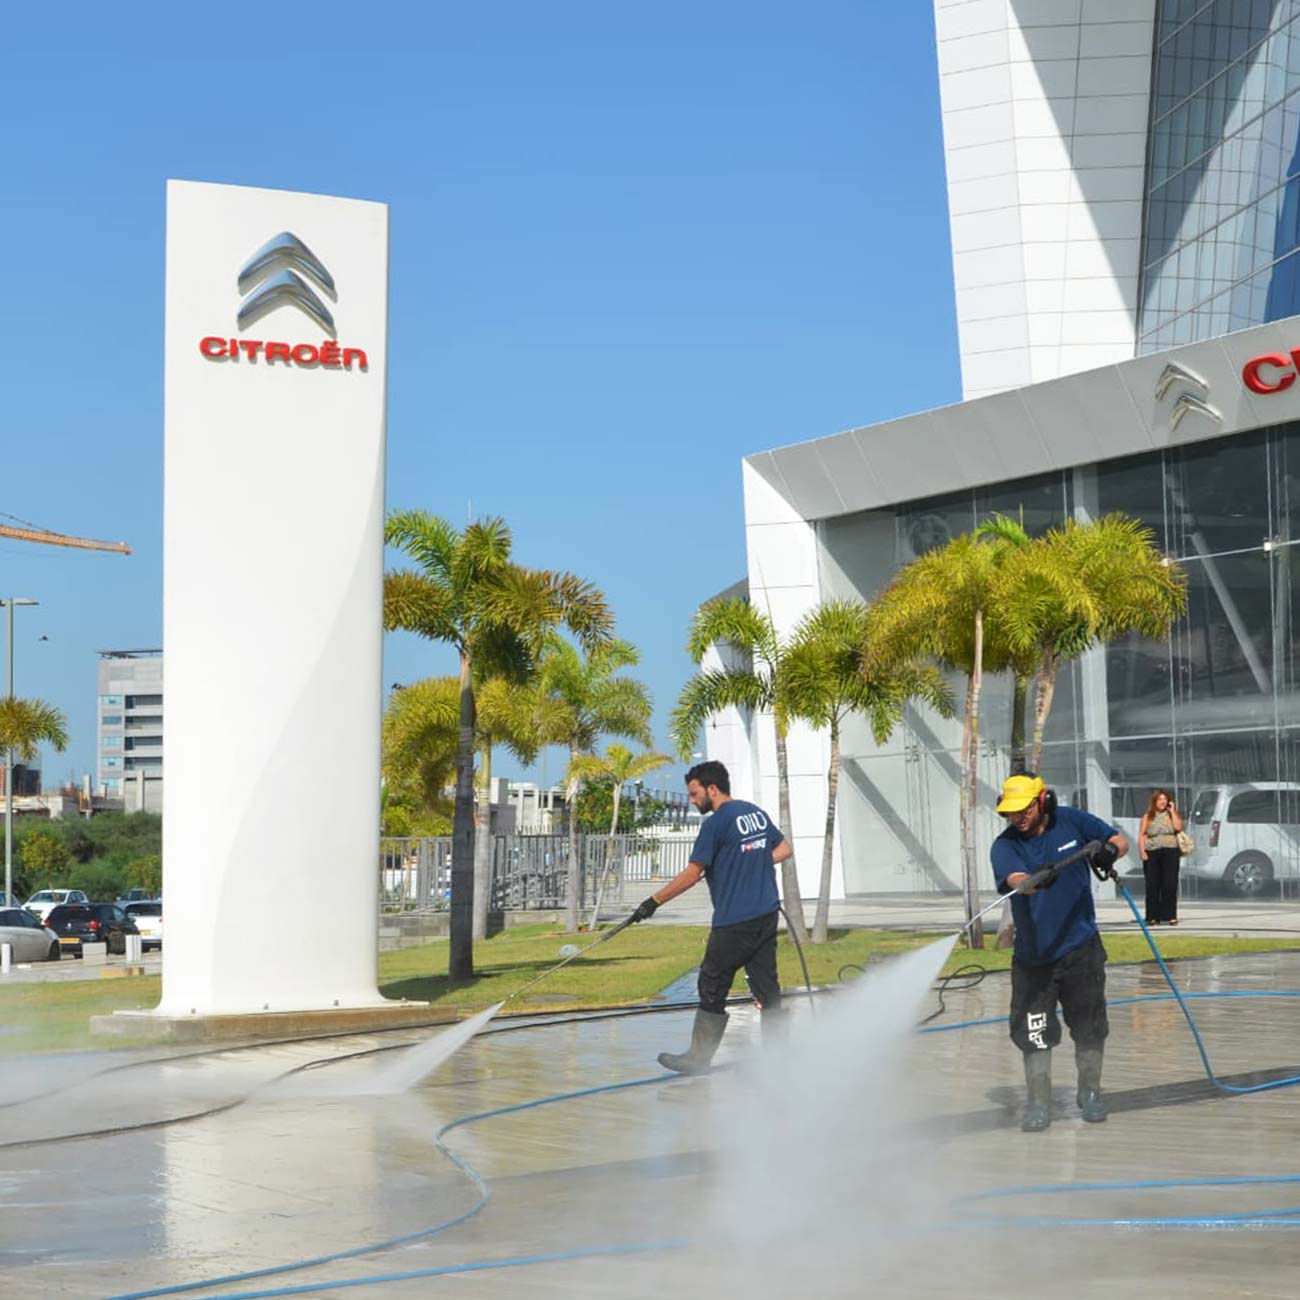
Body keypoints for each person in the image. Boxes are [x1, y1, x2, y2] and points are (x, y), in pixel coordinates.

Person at [626, 759, 792, 1074]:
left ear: (711, 789)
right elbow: (784, 849)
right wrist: (752, 863)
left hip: (735, 921)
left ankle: (698, 1059)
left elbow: (692, 874)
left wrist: (652, 902)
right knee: (767, 988)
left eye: (693, 793)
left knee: (712, 984)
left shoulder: (715, 824)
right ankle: (778, 1058)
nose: (691, 800)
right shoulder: (753, 813)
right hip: (767, 915)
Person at [991, 773, 1129, 1132]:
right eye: (1010, 812)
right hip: (1033, 959)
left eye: (1023, 809)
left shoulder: (1072, 820)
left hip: (1080, 950)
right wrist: (1033, 880)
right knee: (1034, 1031)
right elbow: (1014, 881)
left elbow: (1118, 840)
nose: (1017, 818)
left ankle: (1091, 1093)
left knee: (1089, 1027)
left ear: (1042, 801)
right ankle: (1038, 1102)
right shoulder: (1004, 846)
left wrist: (1109, 850)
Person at [1138, 789, 1184, 926]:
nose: (1162, 802)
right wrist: (1142, 851)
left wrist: (1172, 811)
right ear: (1154, 801)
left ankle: (1170, 915)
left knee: (1169, 884)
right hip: (1152, 850)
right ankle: (1152, 916)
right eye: (1159, 799)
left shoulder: (1171, 815)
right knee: (1152, 884)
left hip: (1170, 850)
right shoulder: (1148, 816)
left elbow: (1178, 827)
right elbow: (1142, 835)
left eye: (1165, 799)